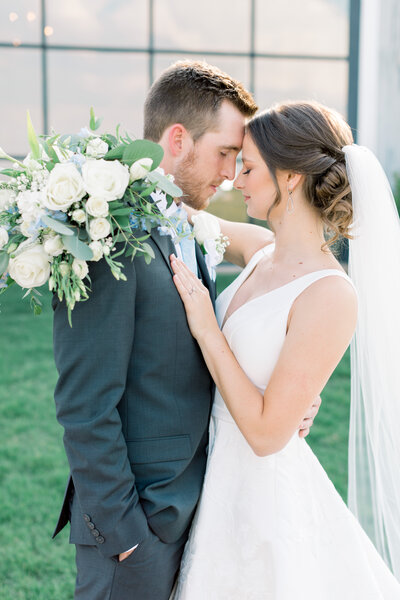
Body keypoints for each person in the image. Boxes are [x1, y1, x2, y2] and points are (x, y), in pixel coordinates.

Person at [51, 62, 320, 600]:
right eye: (226, 153)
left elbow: (285, 267)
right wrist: (126, 536)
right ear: (178, 139)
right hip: (137, 531)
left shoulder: (185, 222)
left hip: (198, 511)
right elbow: (85, 405)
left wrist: (291, 387)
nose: (232, 172)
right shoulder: (106, 237)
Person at [170, 100, 400, 598]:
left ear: (291, 177)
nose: (235, 179)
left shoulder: (330, 295)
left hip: (261, 505)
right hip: (211, 482)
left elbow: (267, 435)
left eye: (248, 167)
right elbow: (178, 215)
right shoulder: (259, 251)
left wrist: (209, 331)